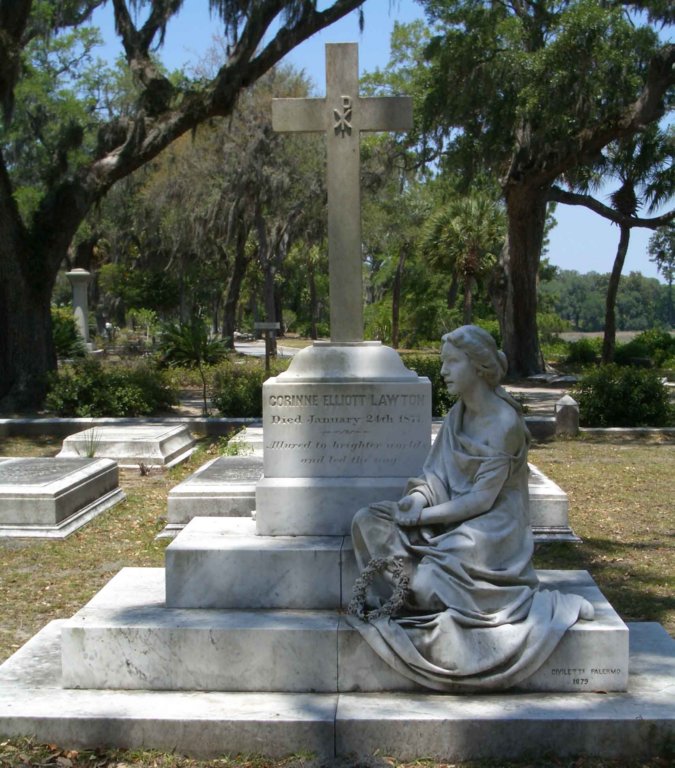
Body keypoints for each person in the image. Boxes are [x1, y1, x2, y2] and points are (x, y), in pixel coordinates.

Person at [348, 325, 594, 691]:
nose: (443, 371)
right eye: (443, 362)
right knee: (367, 520)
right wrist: (417, 499)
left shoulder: (504, 423)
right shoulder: (457, 415)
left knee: (427, 583)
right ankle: (426, 584)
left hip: (491, 528)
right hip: (447, 517)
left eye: (451, 362)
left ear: (478, 366)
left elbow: (481, 500)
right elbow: (436, 475)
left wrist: (422, 517)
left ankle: (504, 597)